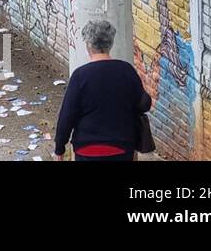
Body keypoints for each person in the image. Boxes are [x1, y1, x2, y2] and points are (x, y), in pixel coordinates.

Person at [54, 21, 153, 161]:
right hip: (121, 148)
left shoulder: (80, 76)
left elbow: (67, 115)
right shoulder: (126, 71)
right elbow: (144, 104)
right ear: (110, 44)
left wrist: (60, 147)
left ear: (88, 45)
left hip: (86, 150)